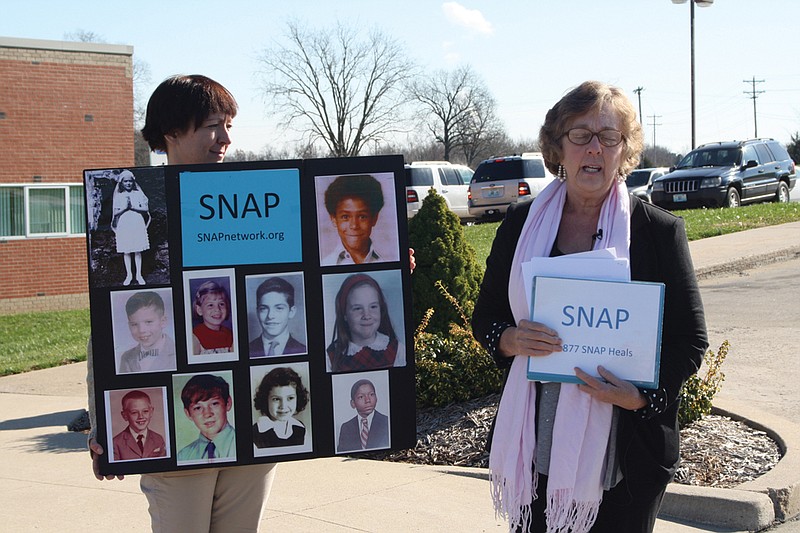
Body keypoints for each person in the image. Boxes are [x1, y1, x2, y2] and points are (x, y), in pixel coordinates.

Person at [471, 81, 708, 533]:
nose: (594, 148)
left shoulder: (657, 232)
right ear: (559, 147)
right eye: (580, 135)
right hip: (535, 449)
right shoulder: (523, 224)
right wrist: (508, 338)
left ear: (625, 150)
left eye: (609, 137)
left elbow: (691, 341)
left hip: (626, 454)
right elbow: (487, 317)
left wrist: (640, 396)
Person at [88, 74, 276, 533]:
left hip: (248, 422)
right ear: (171, 132)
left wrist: (384, 265)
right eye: (213, 125)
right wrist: (102, 426)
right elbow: (109, 327)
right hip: (176, 427)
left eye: (228, 125)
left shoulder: (260, 207)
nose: (225, 139)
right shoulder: (145, 213)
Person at [326, 273, 405, 372]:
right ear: (344, 314)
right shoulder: (330, 357)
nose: (366, 316)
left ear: (381, 309)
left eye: (373, 307)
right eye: (358, 308)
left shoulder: (397, 350)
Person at [321, 174, 387, 265]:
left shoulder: (389, 261)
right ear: (334, 219)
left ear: (374, 218)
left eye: (362, 217)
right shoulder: (325, 264)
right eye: (345, 217)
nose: (354, 226)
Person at [178, 374, 236, 462]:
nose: (207, 414)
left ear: (228, 403)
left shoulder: (249, 444)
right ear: (188, 413)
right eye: (198, 408)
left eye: (214, 404)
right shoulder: (183, 456)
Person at [118, 291, 176, 374]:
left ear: (163, 321)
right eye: (134, 324)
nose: (141, 330)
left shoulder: (176, 353)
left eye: (148, 322)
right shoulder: (126, 357)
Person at [249, 277, 306, 358]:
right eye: (264, 309)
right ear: (257, 312)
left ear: (291, 312)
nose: (270, 316)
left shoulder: (303, 350)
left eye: (279, 308)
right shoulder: (248, 350)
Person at [252, 367, 309, 448]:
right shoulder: (256, 433)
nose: (283, 406)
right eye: (276, 399)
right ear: (265, 400)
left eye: (290, 398)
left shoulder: (300, 428)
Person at [111, 169, 150, 286]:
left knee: (137, 250)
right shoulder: (119, 196)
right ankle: (129, 275)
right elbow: (115, 213)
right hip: (124, 223)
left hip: (136, 221)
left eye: (130, 181)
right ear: (122, 183)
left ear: (133, 182)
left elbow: (145, 209)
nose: (128, 183)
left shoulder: (138, 194)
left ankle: (139, 274)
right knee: (126, 251)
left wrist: (133, 207)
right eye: (125, 182)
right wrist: (124, 208)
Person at [112, 390, 167, 461]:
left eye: (145, 411)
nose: (141, 416)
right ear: (125, 415)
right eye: (134, 412)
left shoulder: (158, 439)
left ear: (151, 412)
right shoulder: (116, 443)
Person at [336, 378, 389, 453]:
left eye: (371, 394)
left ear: (376, 398)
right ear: (353, 403)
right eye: (361, 397)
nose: (367, 400)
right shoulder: (346, 428)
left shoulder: (386, 422)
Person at [191, 280, 234, 355]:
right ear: (199, 310)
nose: (217, 309)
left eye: (221, 304)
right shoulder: (195, 336)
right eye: (210, 305)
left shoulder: (231, 334)